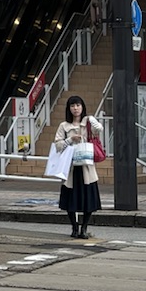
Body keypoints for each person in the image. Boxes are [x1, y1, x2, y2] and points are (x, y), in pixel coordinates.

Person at [49, 94, 102, 239]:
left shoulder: (88, 123)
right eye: (72, 106)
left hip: (86, 167)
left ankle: (84, 228)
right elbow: (58, 145)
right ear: (69, 108)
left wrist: (91, 119)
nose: (75, 108)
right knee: (70, 200)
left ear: (82, 107)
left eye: (78, 105)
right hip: (70, 167)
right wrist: (70, 139)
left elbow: (99, 130)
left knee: (89, 200)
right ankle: (74, 227)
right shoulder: (64, 126)